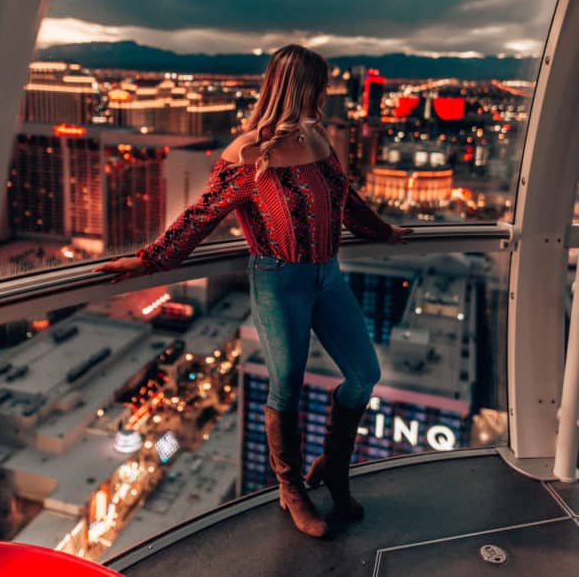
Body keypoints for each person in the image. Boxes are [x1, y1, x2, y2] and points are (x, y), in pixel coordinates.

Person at [92, 45, 411, 539]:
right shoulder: (249, 154)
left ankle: (333, 466)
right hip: (278, 279)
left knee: (364, 373)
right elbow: (202, 214)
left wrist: (383, 232)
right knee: (287, 384)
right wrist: (151, 259)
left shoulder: (318, 139)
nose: (326, 95)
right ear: (299, 87)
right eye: (319, 86)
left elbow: (347, 202)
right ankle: (292, 490)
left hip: (329, 276)